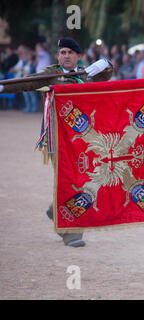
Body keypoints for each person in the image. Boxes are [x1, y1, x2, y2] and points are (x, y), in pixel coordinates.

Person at [0, 37, 114, 247]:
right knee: (70, 182)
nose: (66, 56)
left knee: (86, 180)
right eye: (63, 53)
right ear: (57, 56)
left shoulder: (85, 76)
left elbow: (107, 75)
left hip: (83, 140)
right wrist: (3, 88)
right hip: (58, 137)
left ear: (78, 57)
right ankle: (71, 232)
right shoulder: (52, 75)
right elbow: (27, 82)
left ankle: (55, 210)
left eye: (71, 52)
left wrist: (104, 63)